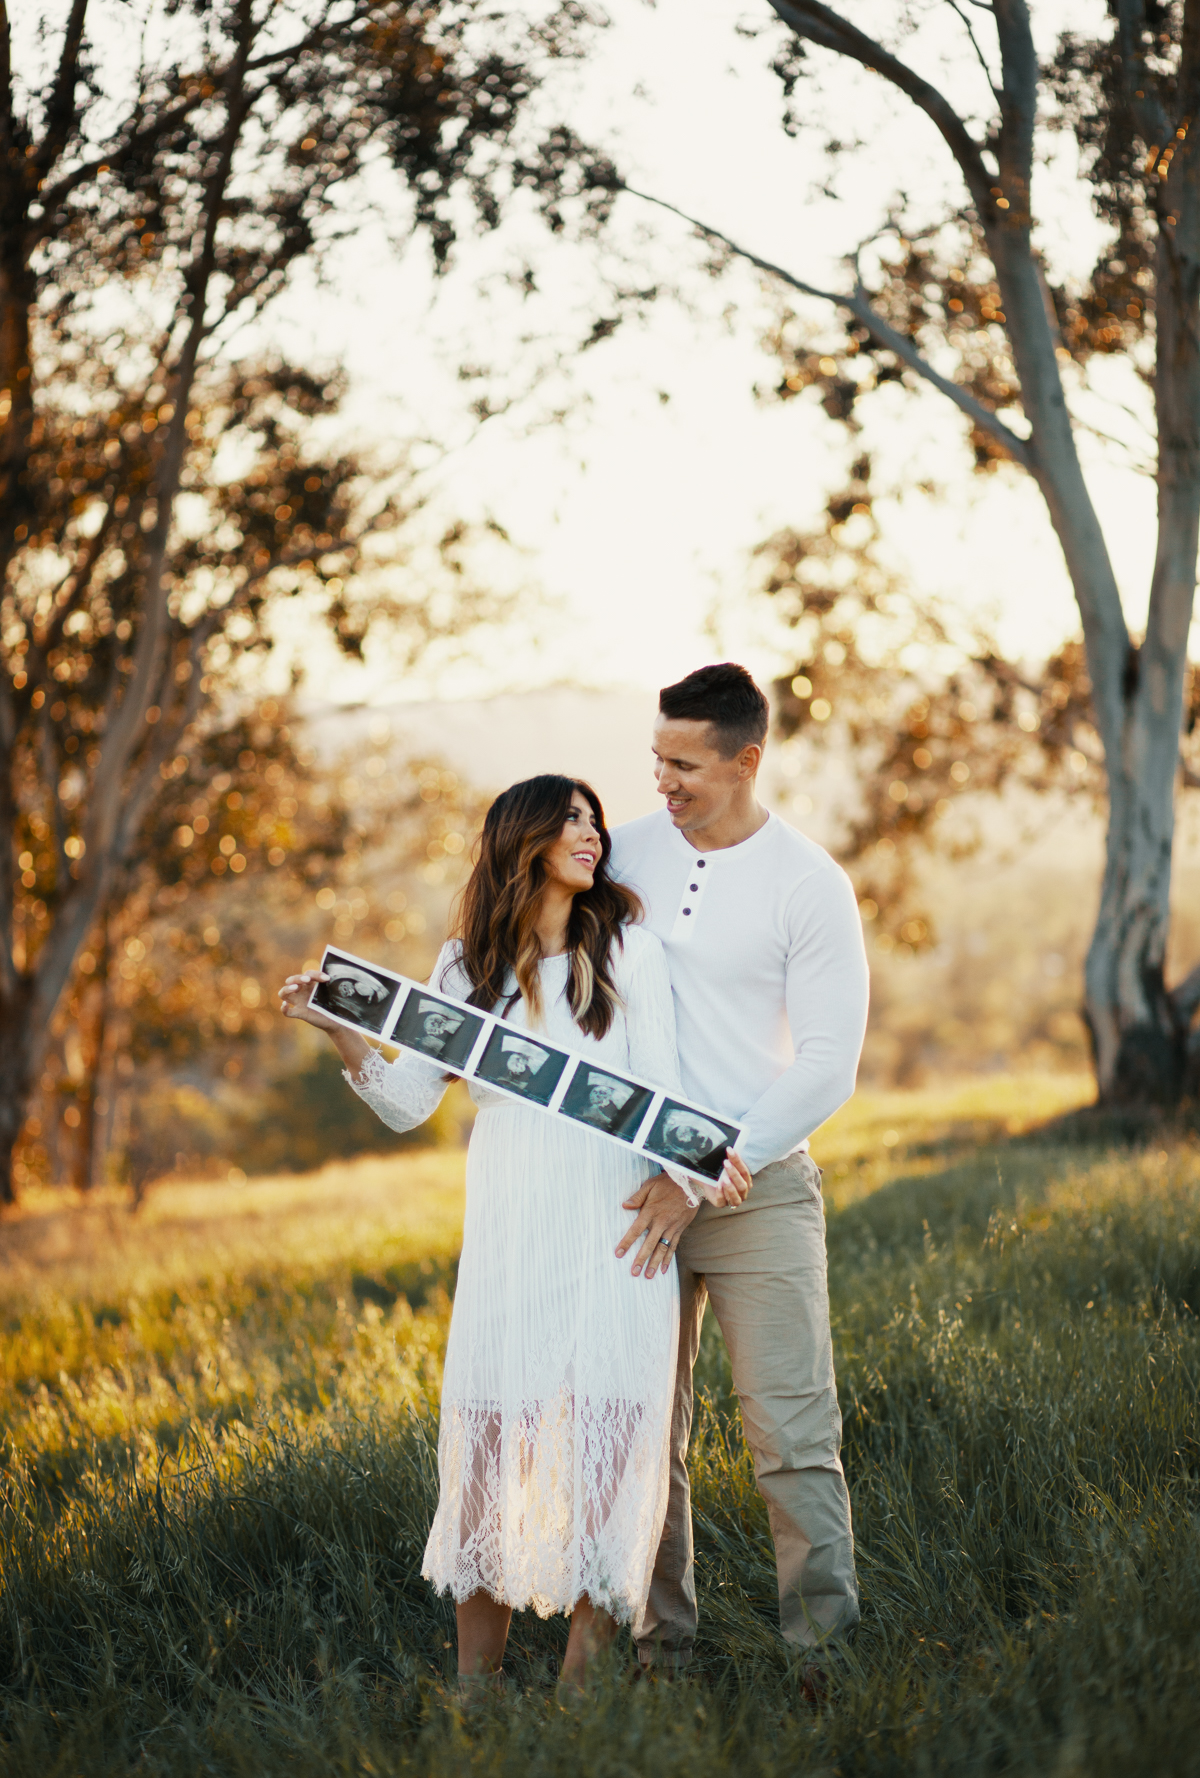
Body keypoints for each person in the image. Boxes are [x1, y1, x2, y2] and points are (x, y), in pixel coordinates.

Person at [279, 775, 751, 1693]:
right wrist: (340, 1030)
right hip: (510, 1231)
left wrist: (685, 1174)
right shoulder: (466, 969)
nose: (591, 834)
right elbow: (409, 1105)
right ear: (524, 838)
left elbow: (661, 1088)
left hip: (612, 1227)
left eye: (594, 820)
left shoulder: (629, 953)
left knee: (611, 1445)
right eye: (571, 819)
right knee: (492, 1450)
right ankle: (473, 1690)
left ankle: (581, 1687)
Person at [608, 662, 869, 1677]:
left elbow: (827, 1066)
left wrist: (710, 1167)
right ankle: (659, 1653)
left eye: (685, 766)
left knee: (792, 1435)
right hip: (633, 1192)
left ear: (747, 760)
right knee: (643, 1435)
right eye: (657, 760)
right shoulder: (625, 850)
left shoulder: (808, 883)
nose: (663, 783)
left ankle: (822, 1661)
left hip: (759, 1190)